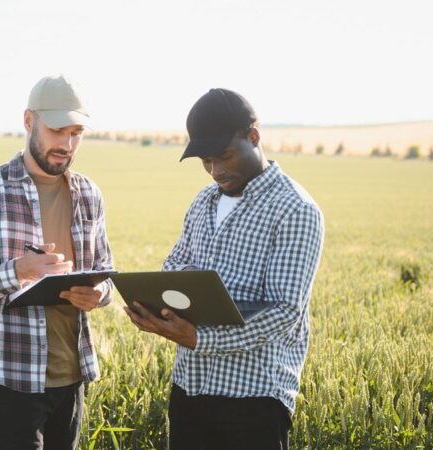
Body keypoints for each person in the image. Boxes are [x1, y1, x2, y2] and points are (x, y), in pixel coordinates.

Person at [124, 88, 324, 450]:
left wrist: (201, 339)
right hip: (189, 388)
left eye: (225, 156)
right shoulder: (204, 201)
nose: (215, 170)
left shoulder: (295, 209)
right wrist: (158, 309)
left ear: (254, 136)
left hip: (254, 401)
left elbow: (285, 312)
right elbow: (173, 265)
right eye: (205, 161)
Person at [0, 75, 115, 450]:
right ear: (28, 122)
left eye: (76, 133)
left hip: (72, 379)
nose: (67, 144)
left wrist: (99, 293)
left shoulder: (89, 194)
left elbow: (107, 272)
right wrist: (19, 270)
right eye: (57, 131)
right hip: (9, 383)